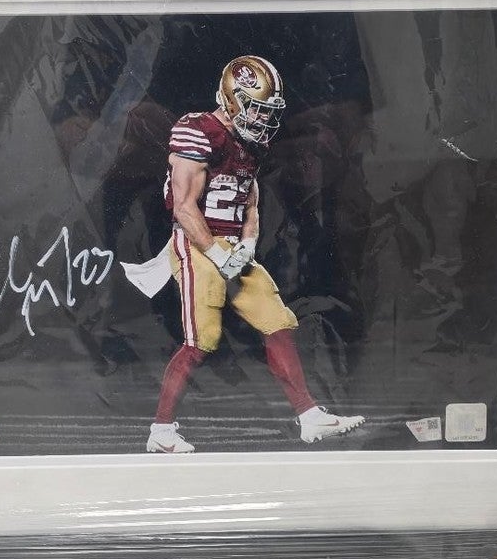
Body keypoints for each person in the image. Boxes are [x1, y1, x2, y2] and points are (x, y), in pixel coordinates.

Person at [140, 55, 365, 453]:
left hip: (230, 245)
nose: (263, 118)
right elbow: (184, 207)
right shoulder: (198, 131)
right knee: (202, 340)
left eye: (268, 110)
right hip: (196, 243)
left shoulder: (250, 143)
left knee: (277, 321)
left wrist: (246, 244)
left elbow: (251, 202)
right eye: (256, 108)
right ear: (231, 98)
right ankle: (161, 431)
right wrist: (216, 253)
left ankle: (309, 416)